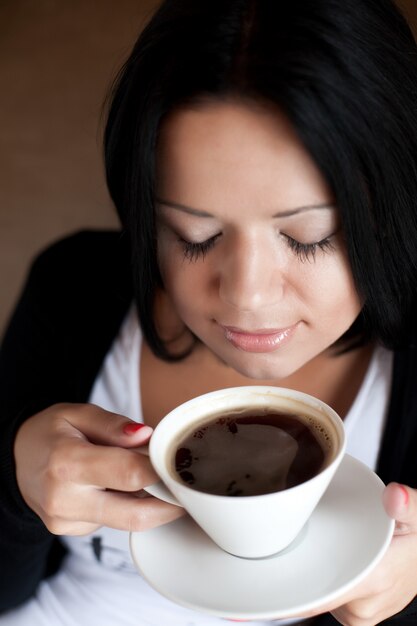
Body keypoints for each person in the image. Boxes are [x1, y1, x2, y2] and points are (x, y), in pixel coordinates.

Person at [1, 0, 417, 624]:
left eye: (309, 237)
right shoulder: (73, 292)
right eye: (194, 236)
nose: (246, 296)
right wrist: (14, 485)